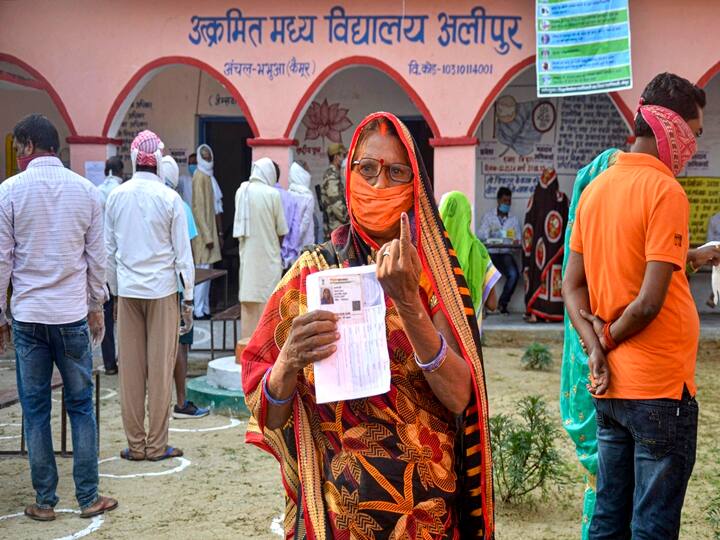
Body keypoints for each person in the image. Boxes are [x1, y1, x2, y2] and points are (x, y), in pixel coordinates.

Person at [241, 113, 494, 538]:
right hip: (342, 518)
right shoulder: (311, 274)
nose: (378, 185)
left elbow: (458, 396)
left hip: (425, 517)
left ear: (414, 185)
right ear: (348, 174)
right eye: (367, 169)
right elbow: (268, 410)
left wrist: (409, 303)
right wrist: (288, 362)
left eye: (395, 172)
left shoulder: (435, 277)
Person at [563, 73, 717, 540]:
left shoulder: (596, 190)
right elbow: (649, 302)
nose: (693, 145)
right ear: (670, 128)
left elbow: (574, 287)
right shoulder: (665, 191)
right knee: (652, 524)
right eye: (694, 132)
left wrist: (595, 349)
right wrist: (606, 338)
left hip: (611, 389)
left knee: (609, 516)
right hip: (659, 390)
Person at [0, 114, 117, 520]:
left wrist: (1, 313)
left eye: (18, 150)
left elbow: (3, 260)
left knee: (35, 410)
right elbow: (96, 259)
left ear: (30, 146)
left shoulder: (9, 192)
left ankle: (44, 500)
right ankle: (88, 497)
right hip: (71, 316)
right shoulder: (87, 192)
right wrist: (96, 306)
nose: (16, 157)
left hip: (28, 317)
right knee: (81, 406)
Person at [105, 130, 195, 461]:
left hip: (127, 292)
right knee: (159, 370)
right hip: (162, 292)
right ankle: (157, 446)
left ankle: (136, 444)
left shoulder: (116, 196)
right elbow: (182, 254)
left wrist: (114, 295)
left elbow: (107, 252)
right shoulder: (170, 199)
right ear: (158, 162)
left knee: (130, 372)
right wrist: (188, 299)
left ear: (132, 160)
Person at [159, 156, 210, 420]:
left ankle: (157, 404)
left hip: (150, 287)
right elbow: (187, 253)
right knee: (180, 343)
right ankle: (181, 402)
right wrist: (189, 293)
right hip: (176, 288)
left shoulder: (144, 200)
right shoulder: (179, 204)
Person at [233, 157, 289, 339]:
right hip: (269, 258)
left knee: (249, 301)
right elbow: (282, 230)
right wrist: (276, 248)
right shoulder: (273, 194)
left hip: (248, 258)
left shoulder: (242, 192)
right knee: (269, 302)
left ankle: (246, 347)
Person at [439, 191, 501, 332]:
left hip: (438, 342)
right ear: (468, 217)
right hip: (471, 339)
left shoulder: (433, 251)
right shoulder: (479, 251)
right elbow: (492, 304)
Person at [522, 168, 569, 322]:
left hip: (538, 250)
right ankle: (553, 315)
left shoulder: (535, 198)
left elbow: (528, 226)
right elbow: (570, 221)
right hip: (557, 250)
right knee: (555, 279)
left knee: (538, 277)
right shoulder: (562, 199)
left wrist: (528, 250)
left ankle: (536, 313)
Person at [98, 156, 125, 375]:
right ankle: (124, 357)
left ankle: (109, 364)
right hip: (120, 262)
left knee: (105, 314)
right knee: (124, 315)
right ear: (121, 172)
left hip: (99, 263)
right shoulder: (122, 193)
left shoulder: (96, 192)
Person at [191, 143, 222, 319]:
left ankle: (205, 308)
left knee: (208, 273)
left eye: (209, 155)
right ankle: (198, 309)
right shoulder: (199, 176)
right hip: (204, 237)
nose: (208, 158)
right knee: (202, 273)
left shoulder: (208, 176)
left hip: (209, 234)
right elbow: (199, 209)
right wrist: (208, 236)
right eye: (205, 156)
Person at [477, 187, 520, 314]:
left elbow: (518, 239)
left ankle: (502, 303)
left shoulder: (514, 219)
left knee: (514, 275)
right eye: (504, 201)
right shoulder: (489, 217)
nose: (506, 204)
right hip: (491, 253)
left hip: (506, 253)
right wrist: (491, 232)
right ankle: (484, 307)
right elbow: (480, 235)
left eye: (508, 201)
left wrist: (510, 238)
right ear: (498, 201)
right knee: (484, 275)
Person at [280, 161, 316, 270]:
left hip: (290, 246)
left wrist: (292, 243)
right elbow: (304, 224)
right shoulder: (308, 196)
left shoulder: (288, 194)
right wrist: (296, 240)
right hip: (306, 244)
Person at [319, 142, 348, 240]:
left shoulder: (334, 174)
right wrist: (350, 220)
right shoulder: (331, 176)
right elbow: (337, 205)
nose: (344, 159)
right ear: (336, 157)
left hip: (337, 229)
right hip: (336, 230)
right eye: (343, 156)